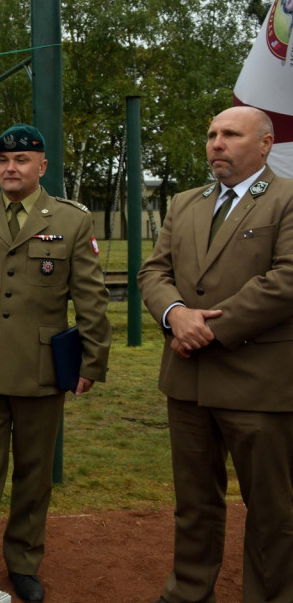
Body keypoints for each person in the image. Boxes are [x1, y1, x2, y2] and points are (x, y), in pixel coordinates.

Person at [0, 123, 111, 602]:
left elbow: (91, 298)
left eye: (21, 160)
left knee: (34, 477)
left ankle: (22, 563)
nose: (10, 168)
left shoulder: (71, 221)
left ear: (42, 166)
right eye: (2, 161)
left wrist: (92, 362)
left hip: (41, 372)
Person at [137, 106, 293, 603]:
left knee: (272, 510)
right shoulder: (185, 203)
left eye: (230, 134)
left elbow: (286, 279)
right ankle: (188, 592)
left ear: (265, 144)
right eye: (211, 135)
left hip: (258, 383)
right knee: (194, 504)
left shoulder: (287, 199)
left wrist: (205, 328)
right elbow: (154, 272)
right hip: (188, 382)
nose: (216, 143)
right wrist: (176, 314)